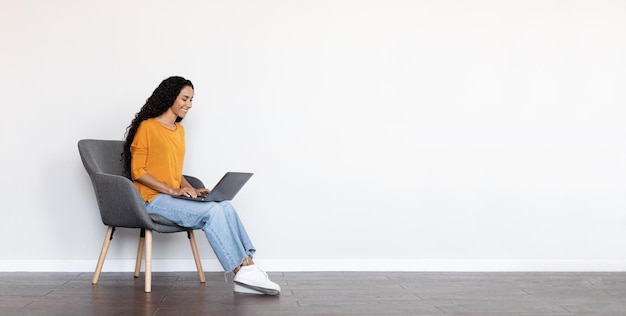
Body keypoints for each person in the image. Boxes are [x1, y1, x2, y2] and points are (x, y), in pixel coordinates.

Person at [122, 76, 280, 295]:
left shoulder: (179, 131)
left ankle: (248, 265)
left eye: (191, 100)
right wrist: (173, 190)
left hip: (172, 197)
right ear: (170, 97)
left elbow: (175, 172)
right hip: (152, 200)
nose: (189, 105)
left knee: (224, 205)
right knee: (212, 212)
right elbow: (137, 172)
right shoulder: (148, 127)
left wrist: (191, 189)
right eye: (185, 99)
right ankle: (241, 273)